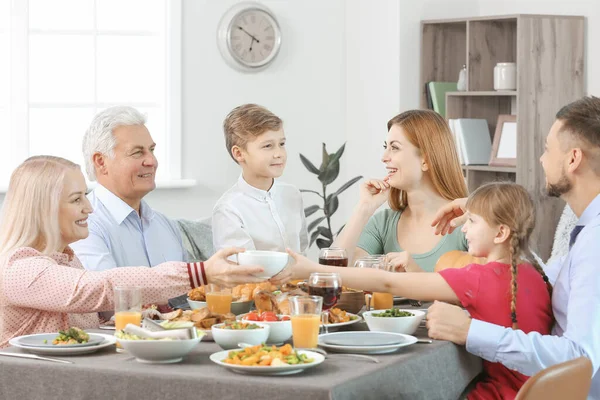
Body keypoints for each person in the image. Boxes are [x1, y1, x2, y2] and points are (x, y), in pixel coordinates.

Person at [287, 181, 553, 399]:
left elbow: (387, 282)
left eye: (471, 221)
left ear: (500, 233)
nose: (465, 229)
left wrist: (313, 269)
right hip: (538, 391)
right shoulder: (533, 273)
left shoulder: (479, 278)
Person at [428, 96, 600, 399]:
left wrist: (470, 332)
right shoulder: (584, 229)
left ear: (573, 159)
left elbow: (580, 358)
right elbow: (544, 277)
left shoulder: (595, 239)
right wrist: (489, 216)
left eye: (548, 149)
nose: (542, 159)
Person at [0, 156, 266, 348]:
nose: (89, 208)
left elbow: (88, 318)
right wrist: (201, 271)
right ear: (43, 209)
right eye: (76, 199)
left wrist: (146, 316)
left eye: (85, 195)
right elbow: (98, 288)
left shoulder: (67, 259)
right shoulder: (19, 268)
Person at [333, 109, 468, 272]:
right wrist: (364, 208)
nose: (384, 157)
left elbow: (482, 293)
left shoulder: (465, 223)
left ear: (426, 160)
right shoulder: (382, 224)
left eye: (394, 148)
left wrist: (415, 274)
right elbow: (335, 271)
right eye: (386, 147)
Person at [70, 106, 187, 271]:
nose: (152, 161)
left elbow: (191, 293)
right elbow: (106, 292)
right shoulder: (83, 227)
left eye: (152, 150)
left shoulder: (167, 226)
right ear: (101, 162)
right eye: (137, 153)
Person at [212, 104, 308, 253]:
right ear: (239, 154)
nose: (279, 153)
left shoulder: (292, 195)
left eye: (281, 144)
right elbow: (242, 269)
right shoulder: (229, 209)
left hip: (298, 277)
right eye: (268, 146)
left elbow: (302, 251)